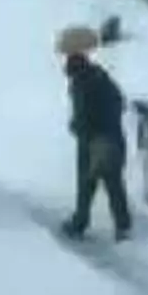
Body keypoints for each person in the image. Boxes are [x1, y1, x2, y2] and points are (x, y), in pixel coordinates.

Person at [56, 26, 132, 242]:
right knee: (114, 183)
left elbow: (83, 115)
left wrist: (78, 127)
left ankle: (80, 223)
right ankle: (123, 226)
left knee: (86, 184)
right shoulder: (99, 74)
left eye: (68, 64)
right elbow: (119, 101)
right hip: (113, 138)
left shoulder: (81, 83)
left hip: (93, 142)